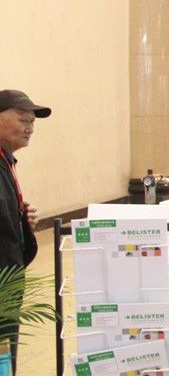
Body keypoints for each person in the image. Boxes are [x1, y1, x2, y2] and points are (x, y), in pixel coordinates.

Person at [0, 89, 50, 373]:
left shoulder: (6, 161)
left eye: (32, 121)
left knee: (5, 357)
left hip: (7, 281)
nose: (30, 127)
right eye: (23, 119)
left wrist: (21, 221)